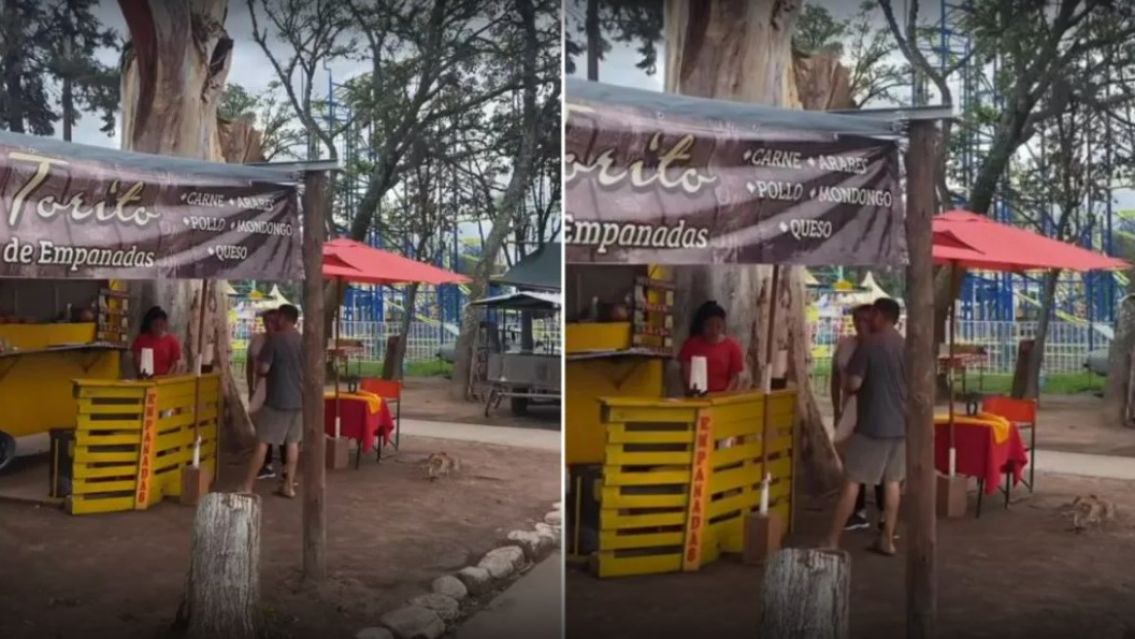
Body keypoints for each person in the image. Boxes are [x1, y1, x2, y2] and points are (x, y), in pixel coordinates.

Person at [823, 297, 907, 555]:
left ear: (881, 316)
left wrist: (848, 379)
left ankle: (832, 540)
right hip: (901, 426)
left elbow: (854, 384)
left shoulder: (869, 345)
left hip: (872, 425)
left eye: (872, 316)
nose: (868, 321)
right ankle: (887, 538)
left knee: (852, 481)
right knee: (892, 482)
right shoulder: (906, 346)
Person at [831, 305, 886, 532]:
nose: (860, 323)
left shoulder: (879, 346)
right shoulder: (846, 345)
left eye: (865, 319)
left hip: (874, 407)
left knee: (879, 458)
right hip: (850, 405)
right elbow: (837, 377)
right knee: (849, 452)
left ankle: (883, 510)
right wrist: (836, 408)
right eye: (856, 319)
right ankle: (858, 508)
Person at [242, 304, 304, 497]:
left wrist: (260, 367)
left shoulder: (274, 341)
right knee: (292, 442)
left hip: (277, 399)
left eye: (277, 318)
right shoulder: (303, 341)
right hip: (298, 399)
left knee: (263, 441)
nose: (275, 321)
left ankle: (247, 486)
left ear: (284, 318)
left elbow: (263, 369)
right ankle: (289, 485)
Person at [247, 310, 286, 480]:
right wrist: (250, 386)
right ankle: (267, 462)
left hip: (278, 386)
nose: (268, 324)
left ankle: (284, 464)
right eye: (265, 321)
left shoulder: (281, 341)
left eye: (272, 321)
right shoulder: (258, 340)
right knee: (258, 418)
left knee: (282, 425)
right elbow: (251, 364)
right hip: (261, 386)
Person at [678, 301, 744, 394]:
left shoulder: (732, 346)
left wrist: (723, 396)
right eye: (709, 325)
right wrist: (695, 391)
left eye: (718, 326)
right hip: (696, 396)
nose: (714, 331)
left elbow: (735, 378)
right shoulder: (691, 344)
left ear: (723, 325)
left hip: (722, 398)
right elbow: (685, 373)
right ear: (702, 325)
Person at [131, 306, 182, 377]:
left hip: (165, 380)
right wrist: (142, 373)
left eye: (161, 325)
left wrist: (166, 378)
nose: (158, 328)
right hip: (145, 379)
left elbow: (175, 363)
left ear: (165, 324)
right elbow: (136, 360)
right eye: (155, 325)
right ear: (150, 324)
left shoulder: (172, 341)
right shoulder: (141, 340)